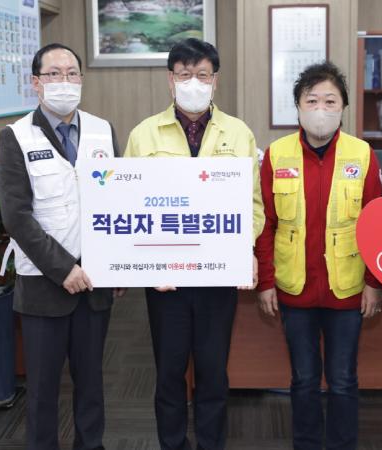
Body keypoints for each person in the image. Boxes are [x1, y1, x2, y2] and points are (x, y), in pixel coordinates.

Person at [124, 38, 265, 450]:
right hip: (165, 279)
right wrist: (145, 265)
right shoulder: (143, 134)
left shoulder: (238, 133)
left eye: (202, 75)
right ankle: (172, 444)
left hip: (217, 277)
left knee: (213, 372)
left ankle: (211, 443)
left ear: (215, 80)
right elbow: (126, 205)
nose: (193, 83)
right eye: (184, 75)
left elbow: (253, 205)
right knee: (169, 373)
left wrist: (243, 249)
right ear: (170, 80)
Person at [0, 43, 123, 450]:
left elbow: (118, 201)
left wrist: (118, 265)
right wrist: (63, 269)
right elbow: (16, 216)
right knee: (42, 392)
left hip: (95, 282)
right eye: (53, 74)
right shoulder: (16, 136)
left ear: (82, 79)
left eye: (71, 73)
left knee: (92, 386)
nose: (63, 81)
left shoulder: (102, 129)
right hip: (43, 286)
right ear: (35, 83)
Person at [255, 61, 382, 450]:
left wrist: (374, 283)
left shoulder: (362, 154)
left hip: (347, 289)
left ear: (343, 107)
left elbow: (377, 223)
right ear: (297, 106)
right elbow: (266, 224)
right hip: (294, 289)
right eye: (312, 100)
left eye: (330, 101)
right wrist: (265, 282)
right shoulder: (277, 155)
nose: (321, 109)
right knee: (304, 379)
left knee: (343, 380)